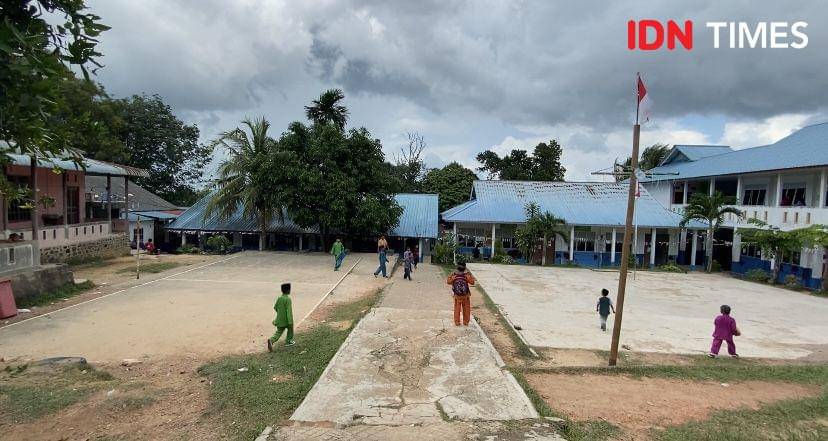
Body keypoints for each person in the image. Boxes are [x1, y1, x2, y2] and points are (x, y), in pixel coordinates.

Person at [267, 283, 295, 351]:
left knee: (279, 332)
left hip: (279, 320)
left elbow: (275, 307)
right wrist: (290, 321)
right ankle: (288, 341)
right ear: (288, 290)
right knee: (290, 330)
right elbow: (289, 311)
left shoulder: (279, 298)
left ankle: (271, 340)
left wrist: (280, 313)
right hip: (287, 320)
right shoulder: (288, 299)